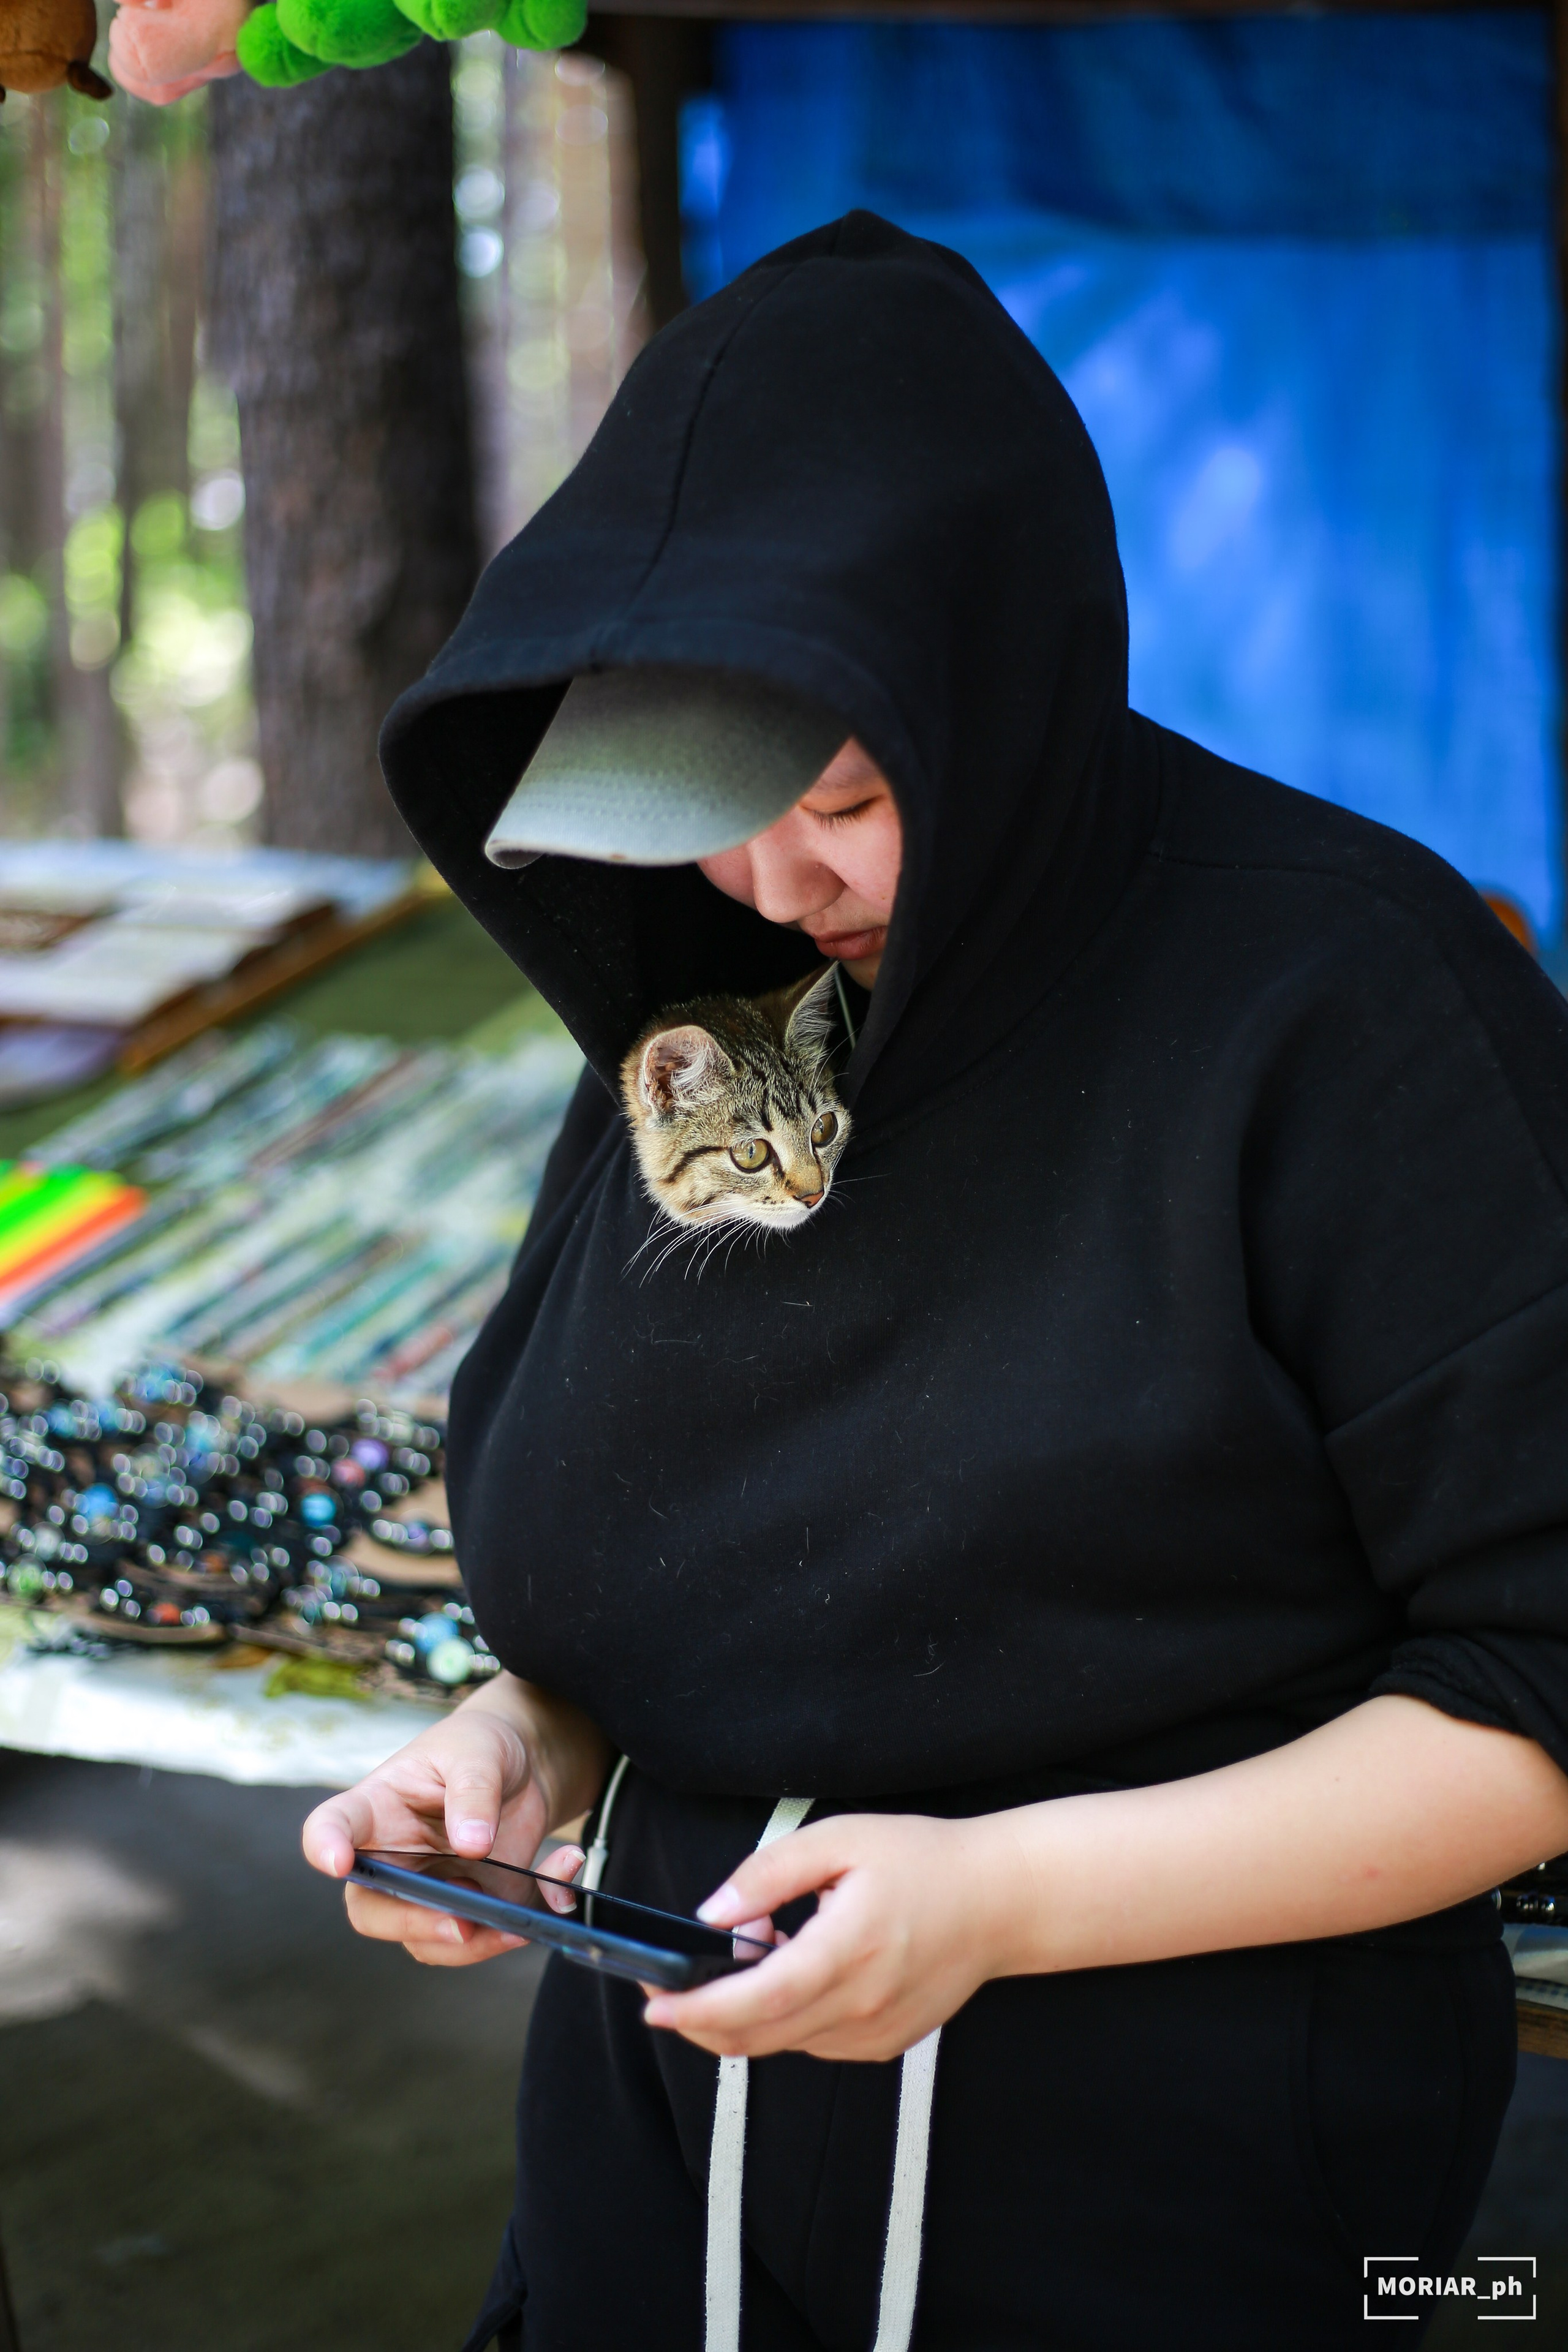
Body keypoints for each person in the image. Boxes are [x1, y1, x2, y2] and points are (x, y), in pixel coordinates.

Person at [306, 214, 1568, 2349]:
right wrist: (525, 1745)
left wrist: (1009, 1902)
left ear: (1006, 692)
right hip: (660, 2180)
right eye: (713, 816)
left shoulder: (1351, 1003)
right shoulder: (727, 996)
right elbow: (665, 1547)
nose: (780, 885)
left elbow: (1537, 1687)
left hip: (1178, 2185)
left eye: (854, 799)